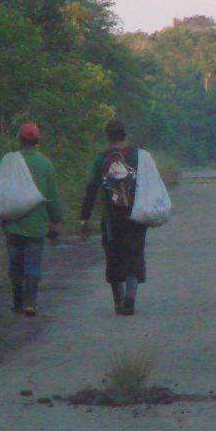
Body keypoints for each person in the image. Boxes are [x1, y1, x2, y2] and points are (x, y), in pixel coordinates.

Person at [79, 119, 147, 316]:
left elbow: (92, 188)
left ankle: (118, 301)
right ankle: (130, 298)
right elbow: (149, 183)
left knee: (114, 257)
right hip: (136, 215)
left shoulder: (101, 159)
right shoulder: (138, 156)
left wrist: (84, 217)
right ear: (125, 135)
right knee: (134, 255)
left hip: (111, 217)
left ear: (108, 137)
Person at [0, 123, 63, 316]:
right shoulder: (45, 164)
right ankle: (30, 303)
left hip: (13, 224)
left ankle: (17, 303)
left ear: (20, 139)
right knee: (33, 263)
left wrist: (1, 216)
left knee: (15, 264)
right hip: (36, 224)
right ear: (37, 141)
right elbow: (52, 196)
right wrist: (55, 220)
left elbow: (1, 190)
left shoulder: (10, 161)